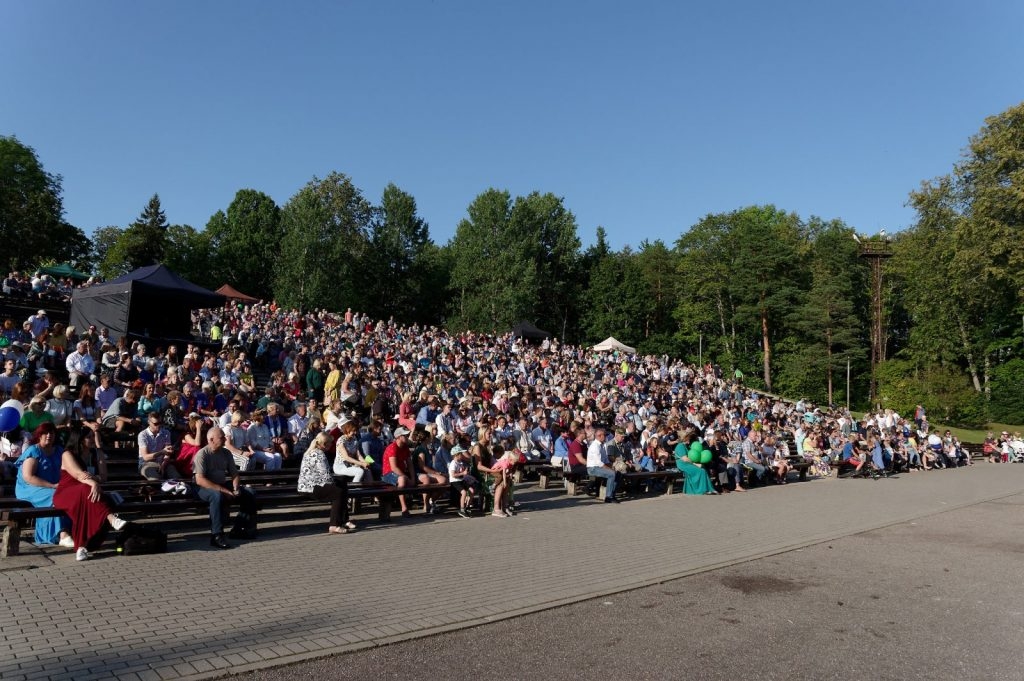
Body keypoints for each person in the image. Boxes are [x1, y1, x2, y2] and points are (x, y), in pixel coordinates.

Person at [54, 431, 127, 561]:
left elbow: (104, 477)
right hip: (66, 492)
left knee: (96, 500)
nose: (93, 439)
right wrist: (93, 482)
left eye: (94, 436)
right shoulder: (68, 454)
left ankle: (82, 547)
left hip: (86, 492)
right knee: (86, 489)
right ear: (79, 439)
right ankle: (111, 518)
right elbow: (77, 474)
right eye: (89, 437)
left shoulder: (97, 453)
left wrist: (93, 481)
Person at [192, 426, 258, 549]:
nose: (225, 438)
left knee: (249, 492)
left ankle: (239, 528)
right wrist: (224, 490)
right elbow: (199, 479)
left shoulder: (226, 453)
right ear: (211, 440)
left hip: (221, 484)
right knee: (216, 496)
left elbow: (234, 474)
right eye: (222, 437)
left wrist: (235, 488)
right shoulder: (202, 454)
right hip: (202, 487)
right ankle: (216, 535)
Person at [14, 423, 74, 547]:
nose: (49, 435)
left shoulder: (59, 451)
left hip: (53, 486)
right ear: (39, 435)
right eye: (45, 433)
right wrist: (52, 486)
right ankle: (63, 534)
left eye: (51, 433)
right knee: (56, 496)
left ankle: (71, 531)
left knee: (70, 494)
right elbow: (28, 477)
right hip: (29, 488)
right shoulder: (34, 450)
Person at [298, 431, 356, 534]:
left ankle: (344, 520)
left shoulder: (311, 451)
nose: (331, 445)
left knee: (342, 483)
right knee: (338, 492)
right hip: (311, 487)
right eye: (330, 443)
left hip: (310, 484)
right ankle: (334, 525)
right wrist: (334, 483)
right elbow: (325, 476)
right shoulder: (319, 454)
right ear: (324, 444)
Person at [382, 426, 415, 517]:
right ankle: (404, 508)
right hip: (388, 474)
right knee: (402, 480)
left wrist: (413, 478)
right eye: (405, 435)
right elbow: (394, 468)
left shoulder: (405, 447)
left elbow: (410, 464)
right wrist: (408, 478)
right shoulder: (392, 447)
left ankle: (427, 505)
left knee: (425, 479)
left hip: (401, 473)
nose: (407, 437)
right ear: (399, 437)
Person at [138, 412, 182, 481]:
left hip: (163, 462)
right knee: (155, 480)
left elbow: (168, 452)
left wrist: (163, 464)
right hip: (146, 463)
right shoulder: (143, 435)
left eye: (160, 423)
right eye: (156, 424)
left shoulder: (166, 432)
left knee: (177, 479)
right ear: (149, 422)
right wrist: (162, 452)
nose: (158, 426)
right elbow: (145, 457)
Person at [586, 427, 619, 503]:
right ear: (599, 436)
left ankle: (612, 494)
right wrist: (610, 469)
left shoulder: (602, 445)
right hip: (593, 468)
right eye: (604, 435)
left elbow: (605, 460)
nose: (606, 437)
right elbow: (599, 463)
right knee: (612, 474)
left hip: (599, 467)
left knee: (618, 473)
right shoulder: (595, 446)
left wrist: (612, 467)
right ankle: (608, 497)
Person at [447, 444, 479, 517]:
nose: (462, 455)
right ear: (456, 455)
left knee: (472, 490)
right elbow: (453, 475)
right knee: (464, 492)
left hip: (461, 480)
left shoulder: (460, 462)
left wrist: (464, 472)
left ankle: (467, 507)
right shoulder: (453, 464)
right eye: (461, 454)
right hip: (455, 481)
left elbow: (462, 473)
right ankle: (462, 509)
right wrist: (462, 473)